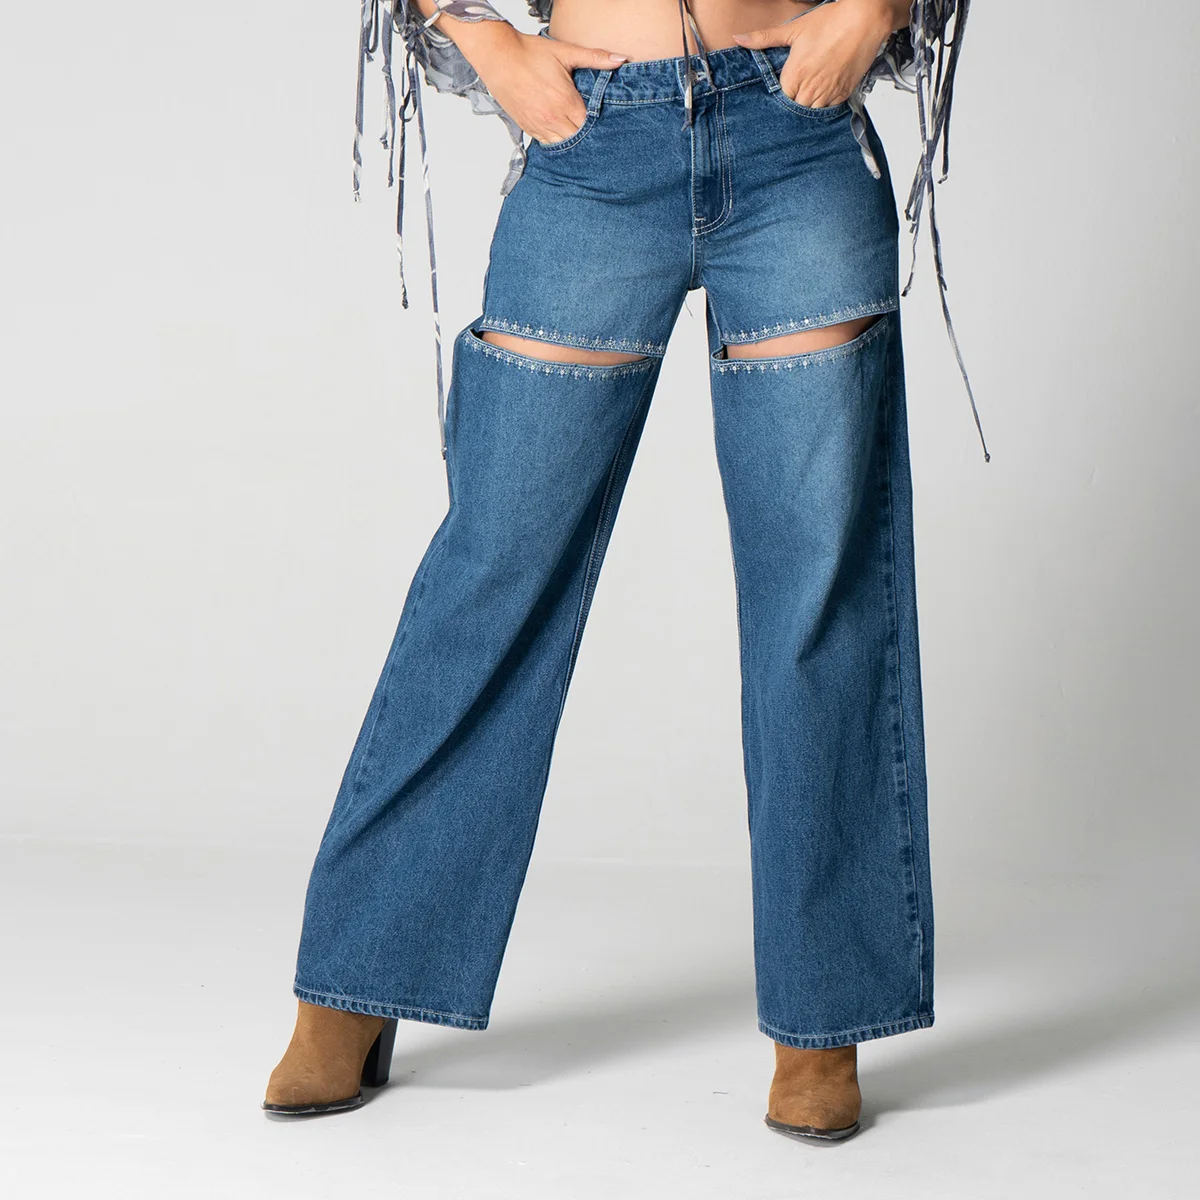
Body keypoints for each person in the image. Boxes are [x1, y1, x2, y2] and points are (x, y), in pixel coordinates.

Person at [263, 0, 978, 1144]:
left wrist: (876, 8)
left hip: (795, 134)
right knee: (495, 571)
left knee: (817, 592)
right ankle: (359, 976)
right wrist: (484, 40)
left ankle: (824, 1018)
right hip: (593, 143)